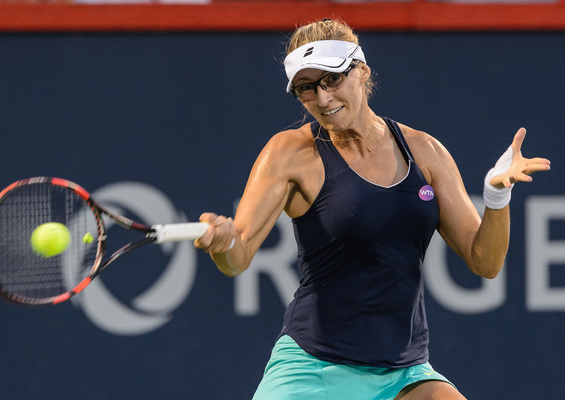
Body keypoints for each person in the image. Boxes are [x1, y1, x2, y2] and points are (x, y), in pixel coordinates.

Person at [194, 18, 551, 400]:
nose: (323, 99)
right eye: (306, 89)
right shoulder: (289, 153)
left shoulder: (425, 151)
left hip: (406, 373)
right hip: (314, 370)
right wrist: (225, 243)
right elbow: (238, 255)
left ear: (362, 71)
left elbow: (486, 262)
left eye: (332, 79)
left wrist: (496, 196)